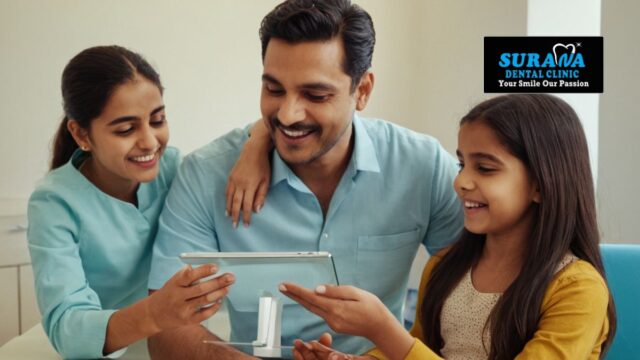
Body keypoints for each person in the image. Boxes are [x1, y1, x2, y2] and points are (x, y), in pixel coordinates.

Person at [147, 0, 462, 358]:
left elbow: (479, 286)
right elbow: (164, 326)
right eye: (274, 89)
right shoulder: (206, 174)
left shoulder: (422, 166)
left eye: (315, 95)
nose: (288, 114)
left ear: (362, 91)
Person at [281, 94, 617, 360]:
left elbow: (405, 349)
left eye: (484, 168)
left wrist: (385, 331)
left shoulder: (577, 289)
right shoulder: (446, 266)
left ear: (541, 186)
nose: (460, 182)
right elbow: (420, 347)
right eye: (462, 164)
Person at [27, 45, 235, 359]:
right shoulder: (54, 204)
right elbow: (66, 327)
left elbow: (254, 131)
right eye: (126, 129)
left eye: (158, 120)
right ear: (81, 134)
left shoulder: (174, 169)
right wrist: (154, 313)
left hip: (171, 340)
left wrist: (256, 148)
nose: (150, 142)